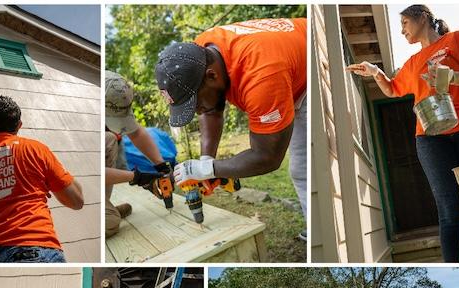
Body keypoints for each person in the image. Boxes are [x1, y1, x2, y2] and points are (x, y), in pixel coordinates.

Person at [346, 4, 459, 262]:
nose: (402, 30)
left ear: (423, 17)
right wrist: (376, 72)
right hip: (430, 137)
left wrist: (453, 77)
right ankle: (455, 267)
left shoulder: (456, 39)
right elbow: (392, 90)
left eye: (404, 23)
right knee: (449, 209)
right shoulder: (413, 62)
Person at [155, 18, 308, 240]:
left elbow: (268, 157)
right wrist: (206, 161)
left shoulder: (261, 77)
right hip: (287, 62)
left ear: (212, 76)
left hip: (313, 68)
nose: (197, 112)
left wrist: (210, 170)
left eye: (195, 103)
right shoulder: (199, 54)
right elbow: (211, 109)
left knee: (303, 167)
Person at [0, 95, 84, 263]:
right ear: (19, 125)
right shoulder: (36, 150)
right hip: (38, 246)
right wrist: (46, 179)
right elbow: (76, 201)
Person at [105, 71, 173, 237]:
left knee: (108, 139)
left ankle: (105, 206)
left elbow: (136, 133)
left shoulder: (115, 94)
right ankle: (107, 213)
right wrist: (136, 177)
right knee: (112, 223)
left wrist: (161, 165)